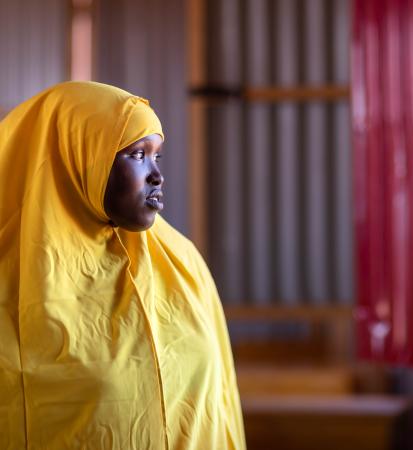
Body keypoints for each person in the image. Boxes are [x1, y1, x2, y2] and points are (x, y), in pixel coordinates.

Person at [0, 81, 246, 449]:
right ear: (75, 158)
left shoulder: (182, 264)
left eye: (156, 156)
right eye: (135, 154)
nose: (156, 175)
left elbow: (220, 403)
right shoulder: (12, 284)